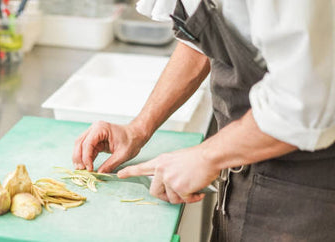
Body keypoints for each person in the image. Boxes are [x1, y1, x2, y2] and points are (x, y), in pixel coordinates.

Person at [72, 0, 335, 241]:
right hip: (244, 168)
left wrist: (206, 156)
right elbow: (200, 41)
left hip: (307, 191)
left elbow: (304, 102)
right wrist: (139, 128)